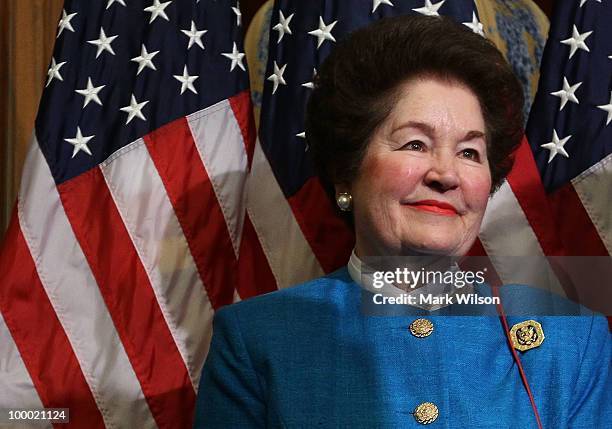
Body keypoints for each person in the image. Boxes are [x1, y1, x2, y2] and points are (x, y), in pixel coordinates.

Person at [193, 15, 611, 428]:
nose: (446, 174)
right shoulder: (256, 340)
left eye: (469, 152)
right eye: (416, 143)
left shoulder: (572, 341)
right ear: (346, 171)